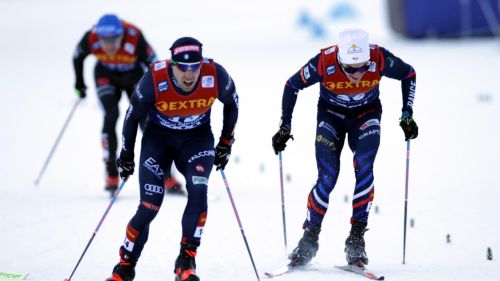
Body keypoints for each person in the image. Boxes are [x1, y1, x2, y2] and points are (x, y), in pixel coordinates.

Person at [272, 28, 418, 268]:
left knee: (364, 166)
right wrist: (285, 126)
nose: (358, 74)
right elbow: (291, 85)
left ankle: (356, 238)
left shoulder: (379, 57)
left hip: (367, 115)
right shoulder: (324, 61)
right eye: (350, 69)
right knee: (328, 176)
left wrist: (407, 114)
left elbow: (408, 74)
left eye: (363, 67)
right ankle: (310, 237)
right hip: (331, 117)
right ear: (340, 60)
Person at [105, 37, 239, 281]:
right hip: (159, 142)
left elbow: (233, 103)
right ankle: (125, 266)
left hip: (197, 141)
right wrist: (125, 155)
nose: (189, 75)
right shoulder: (154, 79)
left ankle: (186, 260)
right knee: (149, 206)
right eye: (182, 68)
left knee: (199, 191)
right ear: (171, 65)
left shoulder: (215, 74)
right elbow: (132, 116)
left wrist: (225, 142)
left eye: (194, 67)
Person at [73, 14, 175, 194]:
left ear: (122, 36)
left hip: (133, 76)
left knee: (145, 119)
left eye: (115, 39)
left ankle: (165, 173)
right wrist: (79, 84)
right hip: (106, 75)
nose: (110, 45)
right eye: (105, 40)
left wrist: (162, 88)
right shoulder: (90, 38)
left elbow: (155, 63)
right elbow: (77, 56)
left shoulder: (135, 37)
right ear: (98, 36)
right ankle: (111, 172)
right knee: (111, 115)